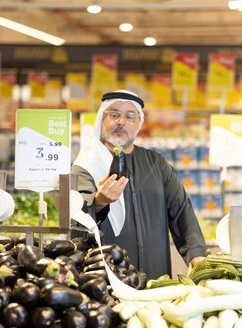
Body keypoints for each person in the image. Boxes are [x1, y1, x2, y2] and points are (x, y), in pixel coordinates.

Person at [72, 89, 207, 279]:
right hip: (105, 280)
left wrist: (196, 253)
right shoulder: (86, 165)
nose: (121, 122)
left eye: (129, 116)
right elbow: (75, 219)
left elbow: (181, 211)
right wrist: (99, 202)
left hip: (155, 277)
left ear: (138, 124)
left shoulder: (156, 164)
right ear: (102, 119)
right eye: (114, 114)